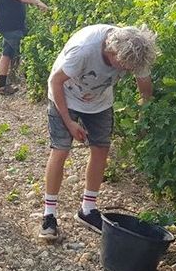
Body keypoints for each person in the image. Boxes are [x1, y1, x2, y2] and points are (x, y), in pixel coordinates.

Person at [39, 25, 157, 240]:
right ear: (111, 52)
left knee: (102, 149)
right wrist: (69, 122)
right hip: (64, 95)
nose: (127, 71)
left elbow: (145, 88)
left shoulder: (134, 51)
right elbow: (55, 81)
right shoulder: (85, 49)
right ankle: (49, 215)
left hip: (99, 102)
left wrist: (143, 116)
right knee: (61, 150)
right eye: (123, 66)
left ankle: (88, 209)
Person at [0, 0, 49, 96]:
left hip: (9, 27)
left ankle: (3, 86)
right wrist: (38, 2)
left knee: (6, 55)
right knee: (26, 54)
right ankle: (30, 86)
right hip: (11, 29)